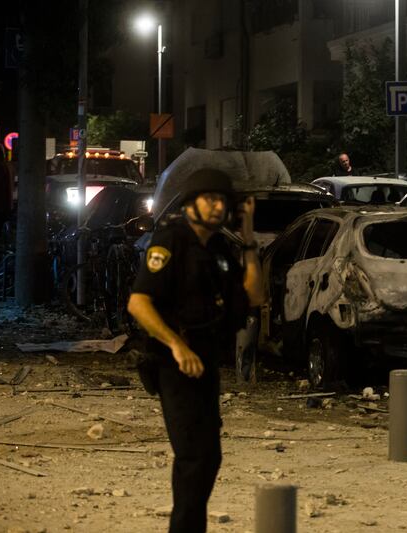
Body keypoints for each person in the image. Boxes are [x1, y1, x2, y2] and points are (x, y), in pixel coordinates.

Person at [127, 168, 265, 532]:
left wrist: (249, 238)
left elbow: (254, 296)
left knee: (210, 457)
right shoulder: (170, 241)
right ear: (191, 203)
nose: (218, 207)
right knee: (193, 456)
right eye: (210, 199)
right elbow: (139, 303)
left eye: (223, 201)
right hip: (173, 364)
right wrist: (175, 345)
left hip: (206, 362)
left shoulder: (219, 247)